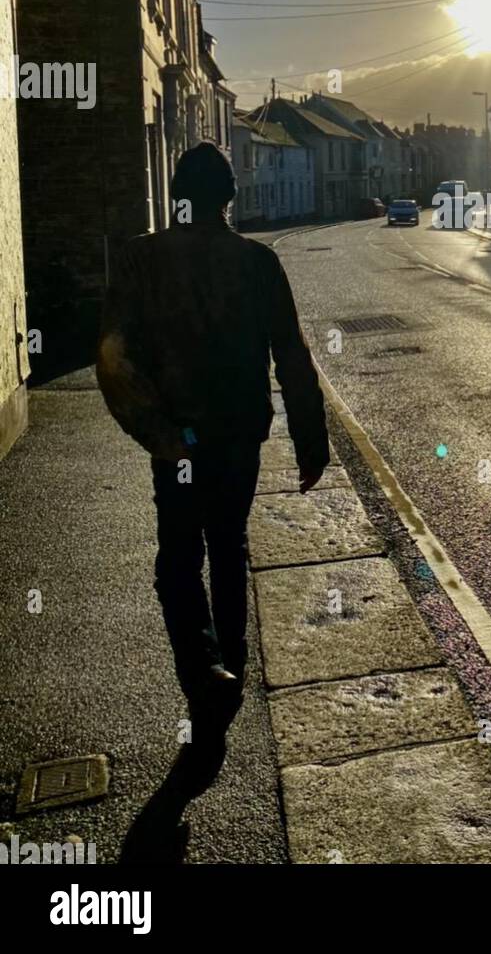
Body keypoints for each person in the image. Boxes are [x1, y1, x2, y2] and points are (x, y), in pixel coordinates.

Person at [96, 142, 328, 741]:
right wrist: (310, 440)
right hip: (238, 436)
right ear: (231, 196)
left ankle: (204, 671)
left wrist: (159, 434)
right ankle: (233, 667)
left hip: (179, 441)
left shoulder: (138, 261)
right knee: (229, 547)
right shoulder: (257, 264)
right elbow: (293, 357)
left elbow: (114, 359)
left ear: (178, 195)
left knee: (178, 560)